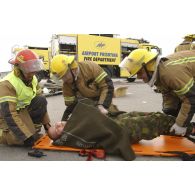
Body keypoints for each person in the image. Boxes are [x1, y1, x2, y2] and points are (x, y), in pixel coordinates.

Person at [119, 48, 195, 139]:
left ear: (149, 66)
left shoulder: (170, 73)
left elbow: (190, 98)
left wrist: (181, 125)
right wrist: (169, 114)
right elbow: (168, 93)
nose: (139, 77)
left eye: (139, 72)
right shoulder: (160, 71)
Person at [0, 49, 51, 146]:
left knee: (40, 100)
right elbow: (9, 114)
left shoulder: (32, 78)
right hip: (6, 116)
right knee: (19, 139)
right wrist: (25, 136)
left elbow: (40, 101)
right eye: (29, 68)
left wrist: (47, 125)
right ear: (19, 68)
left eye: (34, 66)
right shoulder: (7, 84)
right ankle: (5, 135)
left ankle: (33, 131)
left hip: (22, 111)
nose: (33, 71)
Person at [50, 54, 115, 121]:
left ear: (73, 70)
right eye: (61, 78)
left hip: (102, 101)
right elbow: (71, 105)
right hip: (85, 106)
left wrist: (102, 106)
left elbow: (107, 86)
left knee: (110, 121)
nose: (64, 80)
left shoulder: (91, 67)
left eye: (64, 76)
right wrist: (64, 121)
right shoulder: (66, 84)